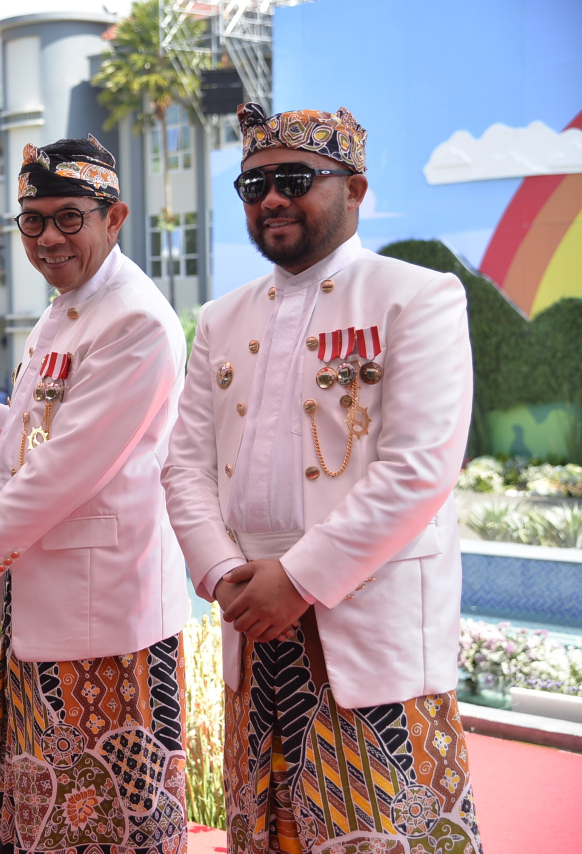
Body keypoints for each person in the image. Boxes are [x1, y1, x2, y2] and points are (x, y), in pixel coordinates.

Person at [163, 103, 482, 853]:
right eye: (252, 186)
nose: (270, 198)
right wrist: (219, 573)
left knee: (384, 833)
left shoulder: (416, 296)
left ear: (356, 189)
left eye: (294, 179)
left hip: (364, 621)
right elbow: (183, 464)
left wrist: (299, 580)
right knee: (264, 834)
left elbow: (419, 469)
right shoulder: (221, 317)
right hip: (250, 614)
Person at [0, 135, 191, 854]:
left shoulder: (134, 318)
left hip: (106, 623)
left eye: (70, 217)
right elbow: (48, 445)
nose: (49, 237)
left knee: (109, 822)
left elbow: (69, 468)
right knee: (46, 820)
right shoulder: (64, 309)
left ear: (114, 217)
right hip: (48, 605)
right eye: (32, 220)